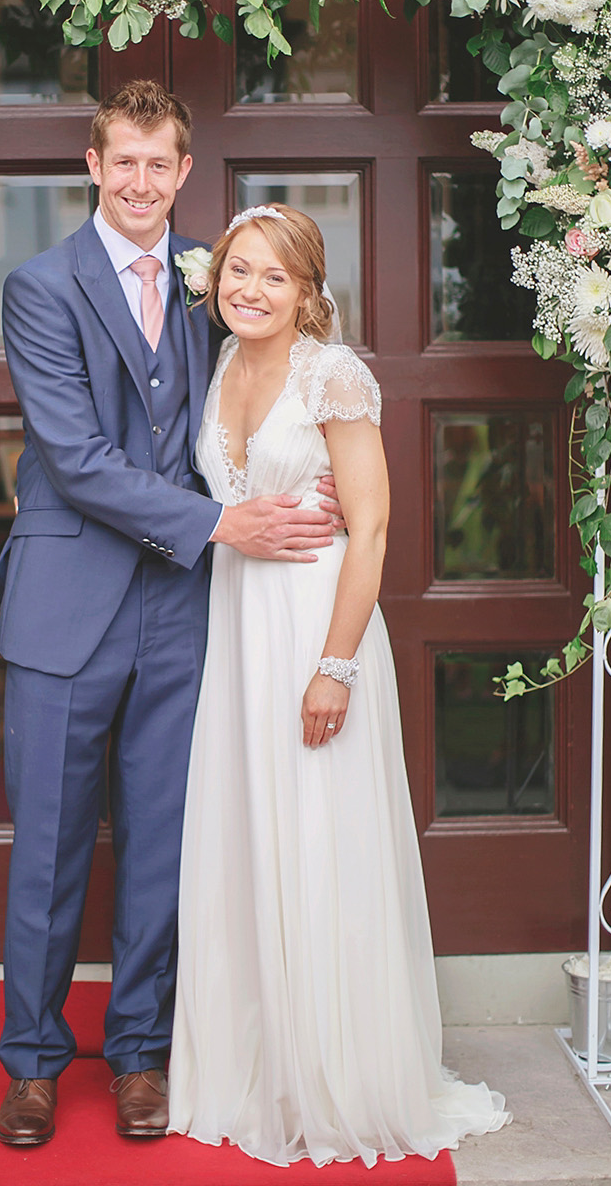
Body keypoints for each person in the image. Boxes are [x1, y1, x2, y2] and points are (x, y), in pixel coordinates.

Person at [0, 82, 342, 1147]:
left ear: (185, 175)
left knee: (163, 843)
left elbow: (253, 390)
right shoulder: (39, 287)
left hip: (184, 610)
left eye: (159, 165)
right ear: (92, 166)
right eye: (122, 161)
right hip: (67, 602)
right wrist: (225, 524)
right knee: (46, 847)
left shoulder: (206, 284)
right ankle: (35, 1064)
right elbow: (77, 459)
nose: (140, 182)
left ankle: (139, 1053)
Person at [167, 203, 510, 1167]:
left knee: (319, 838)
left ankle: (337, 1076)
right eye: (239, 270)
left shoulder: (334, 375)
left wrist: (334, 668)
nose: (252, 289)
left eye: (276, 276)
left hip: (317, 626)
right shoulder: (223, 365)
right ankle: (260, 1067)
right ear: (217, 278)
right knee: (245, 838)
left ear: (310, 291)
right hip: (235, 630)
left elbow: (373, 530)